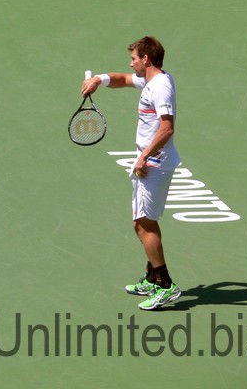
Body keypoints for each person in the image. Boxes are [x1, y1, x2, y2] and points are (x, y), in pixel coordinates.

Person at [81, 36, 182, 310]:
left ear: (146, 59)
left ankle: (165, 285)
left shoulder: (160, 87)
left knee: (144, 224)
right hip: (147, 162)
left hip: (154, 165)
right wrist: (98, 80)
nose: (131, 63)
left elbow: (167, 128)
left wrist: (144, 157)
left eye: (134, 58)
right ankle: (152, 277)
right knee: (140, 222)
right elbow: (122, 79)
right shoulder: (150, 80)